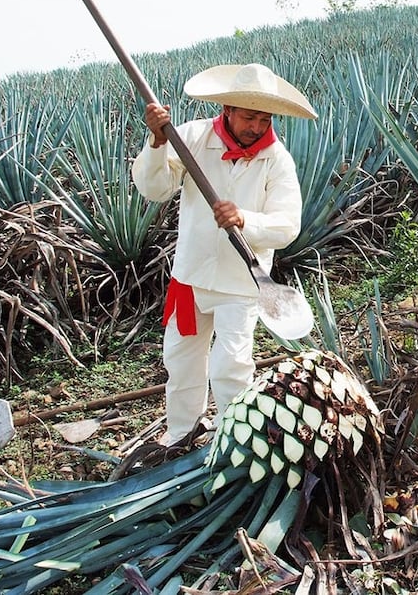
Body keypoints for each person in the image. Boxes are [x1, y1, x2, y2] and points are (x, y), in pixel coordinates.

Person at [132, 63, 317, 446]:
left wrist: (244, 218)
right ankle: (180, 436)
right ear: (228, 111)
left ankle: (234, 440)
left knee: (231, 364)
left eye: (264, 119)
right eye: (249, 117)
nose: (256, 127)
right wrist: (156, 141)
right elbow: (155, 188)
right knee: (181, 362)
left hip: (243, 283)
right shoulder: (193, 138)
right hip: (191, 276)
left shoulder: (277, 160)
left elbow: (287, 226)